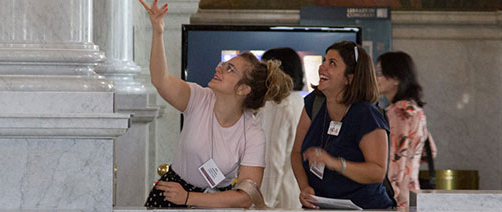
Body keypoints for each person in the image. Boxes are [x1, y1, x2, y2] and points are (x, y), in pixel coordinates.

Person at [138, 0, 293, 208]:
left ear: (243, 89)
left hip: (215, 202)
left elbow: (248, 195)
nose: (219, 68)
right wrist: (157, 31)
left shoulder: (253, 132)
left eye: (230, 69)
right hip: (171, 194)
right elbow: (160, 80)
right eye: (224, 64)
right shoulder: (199, 97)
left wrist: (189, 198)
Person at [291, 41, 393, 209]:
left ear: (349, 78)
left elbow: (377, 172)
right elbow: (296, 153)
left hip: (365, 207)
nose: (322, 67)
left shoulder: (366, 114)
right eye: (324, 60)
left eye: (332, 63)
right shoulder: (314, 104)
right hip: (321, 206)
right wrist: (304, 187)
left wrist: (334, 163)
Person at [376, 51, 436, 208]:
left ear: (396, 78)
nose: (376, 78)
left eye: (380, 73)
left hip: (396, 196)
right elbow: (430, 152)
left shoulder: (398, 112)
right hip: (412, 191)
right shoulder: (415, 109)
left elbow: (396, 159)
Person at [256, 48, 305, 209]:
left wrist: (264, 202)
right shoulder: (299, 100)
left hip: (277, 200)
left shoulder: (278, 103)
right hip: (295, 194)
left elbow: (272, 157)